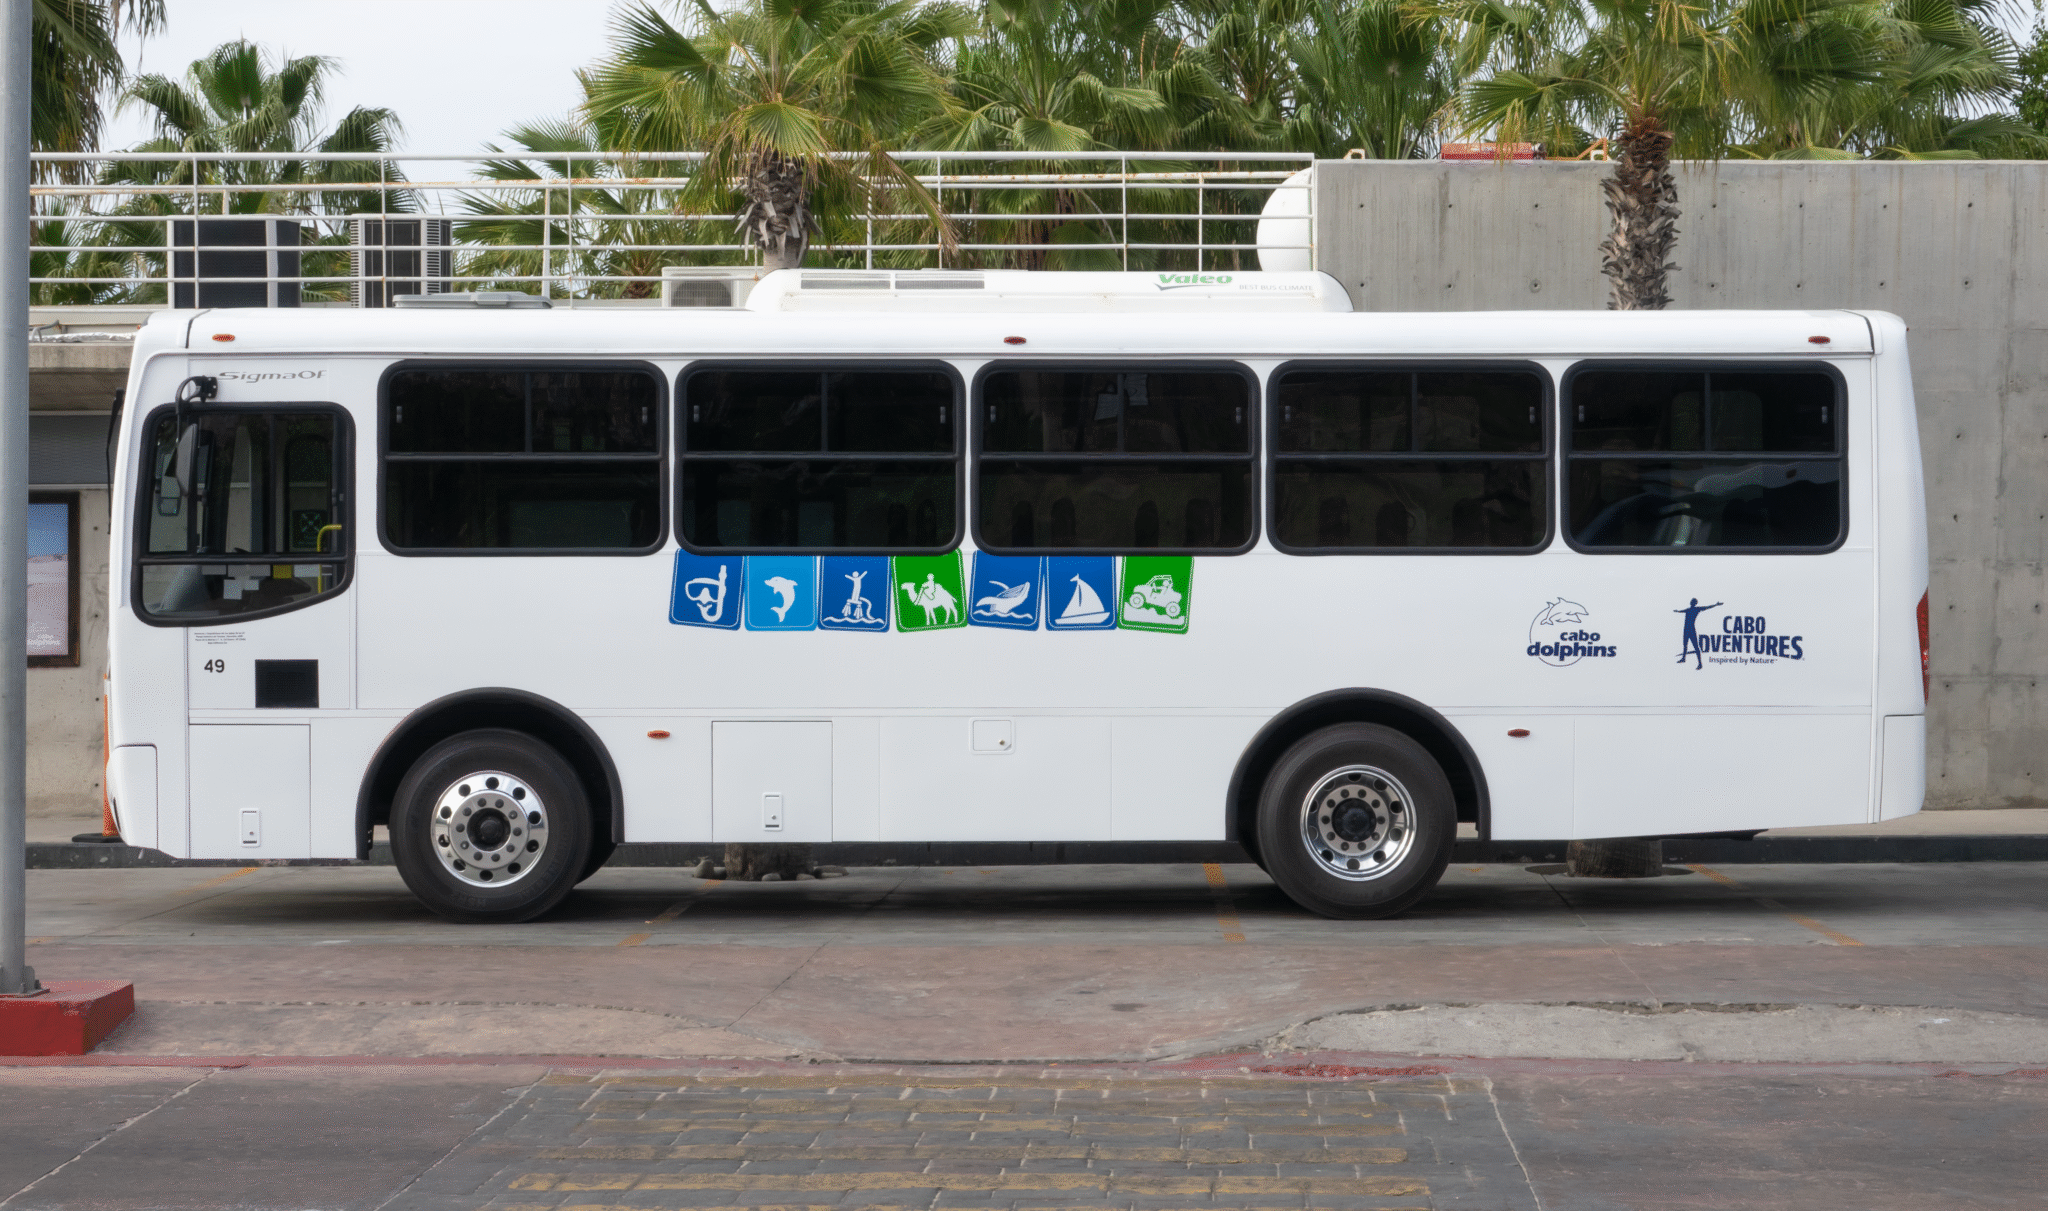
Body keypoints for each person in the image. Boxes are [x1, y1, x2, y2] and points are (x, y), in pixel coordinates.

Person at [1674, 597, 1723, 669]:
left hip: (1691, 630)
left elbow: (1707, 607)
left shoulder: (1697, 609)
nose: (1691, 602)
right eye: (1691, 601)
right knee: (1685, 645)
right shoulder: (1688, 609)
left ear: (1694, 603)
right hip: (1686, 630)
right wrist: (1678, 611)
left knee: (1696, 647)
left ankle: (1700, 663)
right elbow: (1682, 611)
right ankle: (1684, 658)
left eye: (1692, 601)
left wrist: (1715, 605)